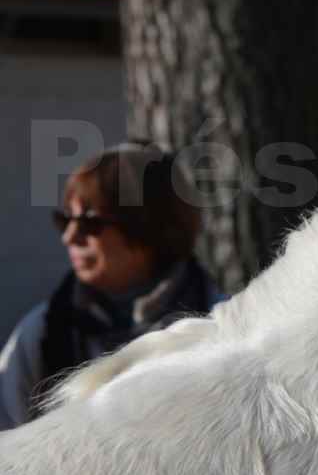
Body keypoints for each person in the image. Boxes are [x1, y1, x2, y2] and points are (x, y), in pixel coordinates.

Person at [0, 142, 224, 429]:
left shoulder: (217, 329)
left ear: (147, 228)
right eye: (64, 219)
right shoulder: (42, 334)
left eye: (89, 223)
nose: (69, 237)